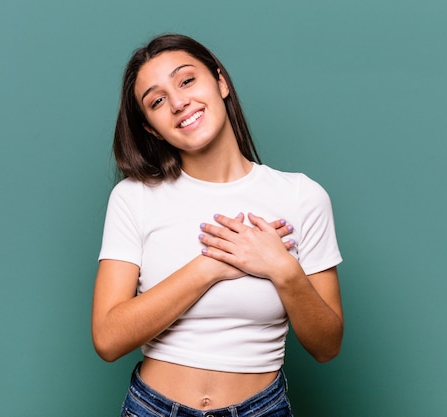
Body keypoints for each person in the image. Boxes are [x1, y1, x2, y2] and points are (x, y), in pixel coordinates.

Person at [92, 34, 344, 417]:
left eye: (187, 80)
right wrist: (209, 267)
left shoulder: (301, 197)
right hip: (152, 408)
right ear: (152, 129)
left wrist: (283, 270)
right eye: (157, 101)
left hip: (262, 409)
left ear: (221, 81)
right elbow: (108, 339)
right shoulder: (134, 198)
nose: (178, 103)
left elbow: (327, 346)